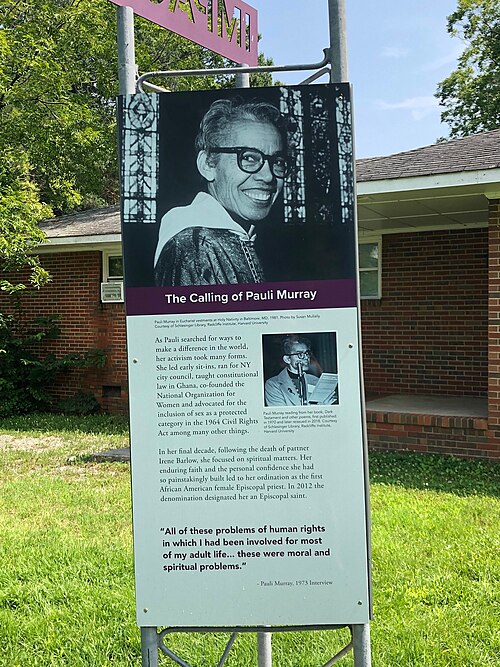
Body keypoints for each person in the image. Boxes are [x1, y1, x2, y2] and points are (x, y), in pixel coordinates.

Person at [154, 97, 288, 286]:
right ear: (208, 165)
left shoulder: (242, 237)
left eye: (278, 162)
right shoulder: (194, 247)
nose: (268, 176)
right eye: (249, 157)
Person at [264, 335, 338, 407]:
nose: (306, 357)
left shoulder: (316, 380)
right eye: (300, 354)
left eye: (307, 353)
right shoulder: (273, 384)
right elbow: (282, 416)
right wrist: (319, 408)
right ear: (287, 359)